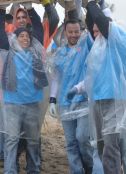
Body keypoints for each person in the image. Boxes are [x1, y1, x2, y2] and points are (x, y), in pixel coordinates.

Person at [67, 0, 126, 174]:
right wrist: (77, 89)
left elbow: (103, 23)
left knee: (112, 147)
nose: (95, 35)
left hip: (115, 101)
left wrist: (92, 4)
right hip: (98, 103)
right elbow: (92, 79)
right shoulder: (98, 50)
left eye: (97, 31)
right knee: (101, 147)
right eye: (93, 32)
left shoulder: (118, 40)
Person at [0, 3, 49, 174]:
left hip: (33, 104)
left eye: (27, 36)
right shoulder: (8, 50)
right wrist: (1, 9)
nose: (25, 38)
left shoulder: (35, 51)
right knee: (11, 140)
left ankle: (33, 170)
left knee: (33, 141)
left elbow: (38, 27)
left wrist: (30, 8)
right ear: (15, 38)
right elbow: (0, 30)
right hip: (12, 105)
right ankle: (10, 171)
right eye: (21, 36)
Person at [48, 19, 93, 174]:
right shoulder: (60, 54)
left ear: (82, 31)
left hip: (84, 100)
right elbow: (56, 78)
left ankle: (90, 167)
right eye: (70, 32)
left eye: (77, 31)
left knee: (82, 138)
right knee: (71, 142)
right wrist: (52, 99)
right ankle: (76, 171)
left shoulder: (86, 46)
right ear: (65, 33)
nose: (74, 35)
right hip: (65, 102)